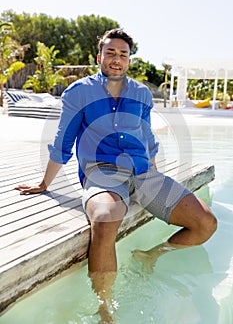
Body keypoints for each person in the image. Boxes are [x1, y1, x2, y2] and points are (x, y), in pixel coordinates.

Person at [15, 28, 217, 322]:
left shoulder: (141, 93)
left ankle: (153, 254)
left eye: (123, 54)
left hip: (143, 173)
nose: (116, 59)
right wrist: (44, 184)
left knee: (206, 223)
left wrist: (159, 182)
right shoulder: (80, 92)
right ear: (99, 57)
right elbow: (63, 141)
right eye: (110, 52)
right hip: (102, 173)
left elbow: (147, 139)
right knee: (104, 219)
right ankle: (105, 309)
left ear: (129, 61)